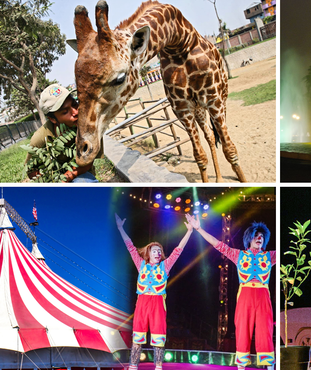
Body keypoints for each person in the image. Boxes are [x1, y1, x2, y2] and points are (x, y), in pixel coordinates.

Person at [185, 214, 275, 370]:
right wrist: (198, 229)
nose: (259, 238)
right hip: (245, 295)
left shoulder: (270, 256)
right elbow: (217, 244)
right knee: (242, 329)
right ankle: (241, 367)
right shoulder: (239, 255)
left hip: (262, 296)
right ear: (249, 238)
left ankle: (269, 366)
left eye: (261, 236)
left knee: (265, 330)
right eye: (256, 236)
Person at [116, 214, 193, 370]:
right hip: (142, 302)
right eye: (155, 251)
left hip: (158, 302)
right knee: (137, 336)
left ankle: (158, 367)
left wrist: (190, 231)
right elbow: (130, 246)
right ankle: (133, 366)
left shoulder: (165, 266)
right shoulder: (141, 264)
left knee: (159, 336)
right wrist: (120, 228)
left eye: (160, 251)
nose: (158, 253)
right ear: (148, 253)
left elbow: (178, 250)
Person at [25, 84, 98, 182]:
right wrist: (51, 181)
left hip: (81, 175)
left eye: (74, 104)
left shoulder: (88, 125)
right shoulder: (40, 139)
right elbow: (31, 171)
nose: (75, 112)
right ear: (52, 119)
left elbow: (88, 161)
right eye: (65, 112)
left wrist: (63, 180)